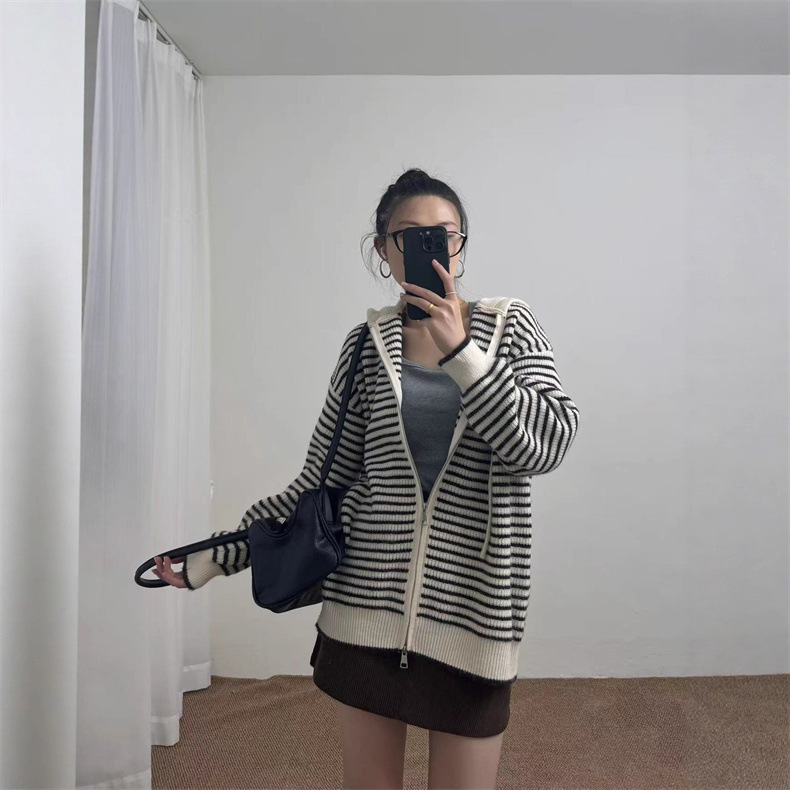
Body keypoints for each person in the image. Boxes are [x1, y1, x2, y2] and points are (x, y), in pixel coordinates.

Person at [155, 168, 581, 790]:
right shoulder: (364, 346)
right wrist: (217, 555)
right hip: (365, 613)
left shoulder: (510, 327)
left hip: (475, 614)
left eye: (445, 234)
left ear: (461, 246)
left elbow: (546, 445)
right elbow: (319, 485)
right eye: (409, 235)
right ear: (384, 249)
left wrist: (463, 355)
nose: (430, 246)